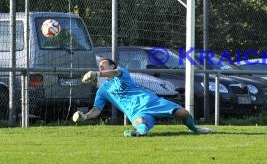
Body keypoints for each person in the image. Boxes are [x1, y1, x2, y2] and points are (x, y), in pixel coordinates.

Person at [72, 57, 212, 137]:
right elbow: (96, 110)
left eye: (103, 65)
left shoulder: (121, 71)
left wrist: (97, 74)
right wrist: (85, 116)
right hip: (136, 111)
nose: (101, 68)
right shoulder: (102, 90)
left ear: (112, 65)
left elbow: (114, 73)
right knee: (141, 125)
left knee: (184, 112)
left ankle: (194, 128)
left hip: (151, 101)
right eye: (99, 67)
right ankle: (138, 133)